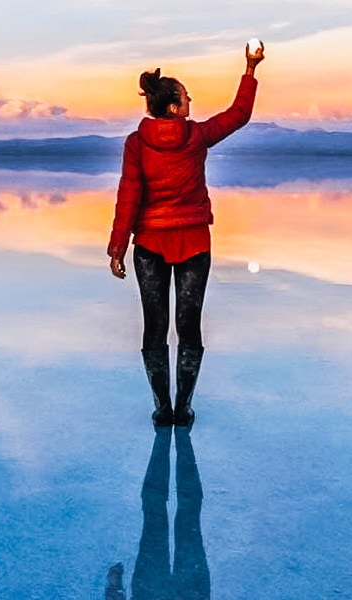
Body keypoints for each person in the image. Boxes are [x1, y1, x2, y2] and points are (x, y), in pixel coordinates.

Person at [107, 41, 265, 427]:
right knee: (188, 324)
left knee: (155, 326)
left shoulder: (135, 144)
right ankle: (185, 407)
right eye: (186, 97)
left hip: (148, 246)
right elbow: (238, 115)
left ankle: (162, 408)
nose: (191, 100)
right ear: (174, 107)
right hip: (194, 242)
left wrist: (117, 247)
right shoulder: (196, 136)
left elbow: (129, 194)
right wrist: (250, 69)